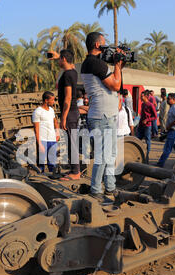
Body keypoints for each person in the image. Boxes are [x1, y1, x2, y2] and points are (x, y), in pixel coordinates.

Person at [81, 32, 125, 200]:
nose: (107, 47)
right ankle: (96, 190)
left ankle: (110, 186)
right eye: (105, 44)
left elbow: (114, 82)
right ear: (98, 45)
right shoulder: (95, 64)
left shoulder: (92, 63)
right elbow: (115, 85)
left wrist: (119, 66)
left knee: (110, 154)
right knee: (102, 155)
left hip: (105, 115)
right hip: (102, 117)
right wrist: (117, 66)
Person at [48, 49, 81, 181]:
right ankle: (74, 169)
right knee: (70, 142)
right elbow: (70, 64)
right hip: (73, 112)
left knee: (71, 143)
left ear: (64, 59)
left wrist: (64, 117)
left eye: (60, 59)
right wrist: (58, 57)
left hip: (70, 112)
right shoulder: (72, 71)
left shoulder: (67, 75)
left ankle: (76, 172)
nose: (58, 62)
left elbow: (67, 98)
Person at [32, 91, 60, 173]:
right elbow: (36, 129)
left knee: (52, 161)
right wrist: (39, 143)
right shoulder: (37, 112)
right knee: (41, 162)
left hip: (52, 139)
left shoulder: (51, 110)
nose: (54, 102)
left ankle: (52, 177)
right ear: (46, 100)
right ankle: (41, 178)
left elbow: (55, 122)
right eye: (52, 100)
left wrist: (57, 132)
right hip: (43, 140)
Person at [156, 93, 175, 168]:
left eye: (169, 99)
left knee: (167, 148)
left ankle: (160, 164)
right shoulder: (173, 106)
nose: (167, 100)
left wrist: (169, 125)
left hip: (173, 130)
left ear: (173, 100)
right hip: (172, 131)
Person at [137, 91, 157, 163]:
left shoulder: (150, 105)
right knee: (138, 139)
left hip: (147, 126)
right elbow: (142, 116)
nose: (140, 98)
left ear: (146, 97)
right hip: (141, 126)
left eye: (141, 96)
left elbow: (155, 116)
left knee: (148, 141)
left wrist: (147, 120)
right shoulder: (142, 105)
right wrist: (139, 124)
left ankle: (147, 157)